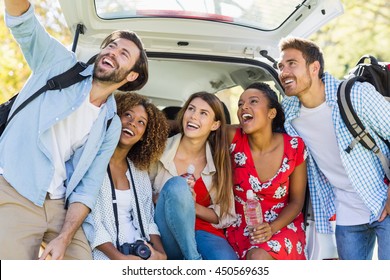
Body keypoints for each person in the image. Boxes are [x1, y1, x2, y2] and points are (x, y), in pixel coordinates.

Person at [0, 0, 148, 260]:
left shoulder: (111, 123)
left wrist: (64, 236)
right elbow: (24, 24)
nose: (113, 52)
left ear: (131, 76)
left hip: (58, 203)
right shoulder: (59, 63)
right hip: (14, 188)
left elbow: (88, 186)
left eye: (124, 54)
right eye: (111, 46)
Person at [277, 37, 390, 260]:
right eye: (281, 66)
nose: (284, 72)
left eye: (292, 63)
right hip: (345, 212)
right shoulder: (288, 111)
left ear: (314, 68)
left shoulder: (355, 94)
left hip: (383, 199)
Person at [150, 92, 237, 260]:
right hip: (166, 232)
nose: (193, 116)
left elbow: (224, 214)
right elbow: (137, 197)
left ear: (215, 124)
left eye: (203, 113)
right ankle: (193, 260)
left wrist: (191, 205)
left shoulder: (219, 161)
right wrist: (169, 197)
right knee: (177, 185)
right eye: (191, 109)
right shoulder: (158, 151)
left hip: (204, 231)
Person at [226, 82, 308, 260]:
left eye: (253, 101)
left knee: (258, 258)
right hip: (242, 228)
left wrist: (272, 228)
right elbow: (203, 128)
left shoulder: (294, 146)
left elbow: (296, 202)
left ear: (271, 113)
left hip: (282, 226)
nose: (243, 107)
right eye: (240, 104)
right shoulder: (232, 137)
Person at [82, 92, 168, 260]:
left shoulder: (139, 171)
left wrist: (161, 255)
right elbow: (91, 222)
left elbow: (148, 219)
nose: (132, 123)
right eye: (127, 114)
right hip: (104, 254)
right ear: (115, 115)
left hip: (140, 250)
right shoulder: (91, 161)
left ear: (144, 135)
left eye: (141, 122)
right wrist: (119, 259)